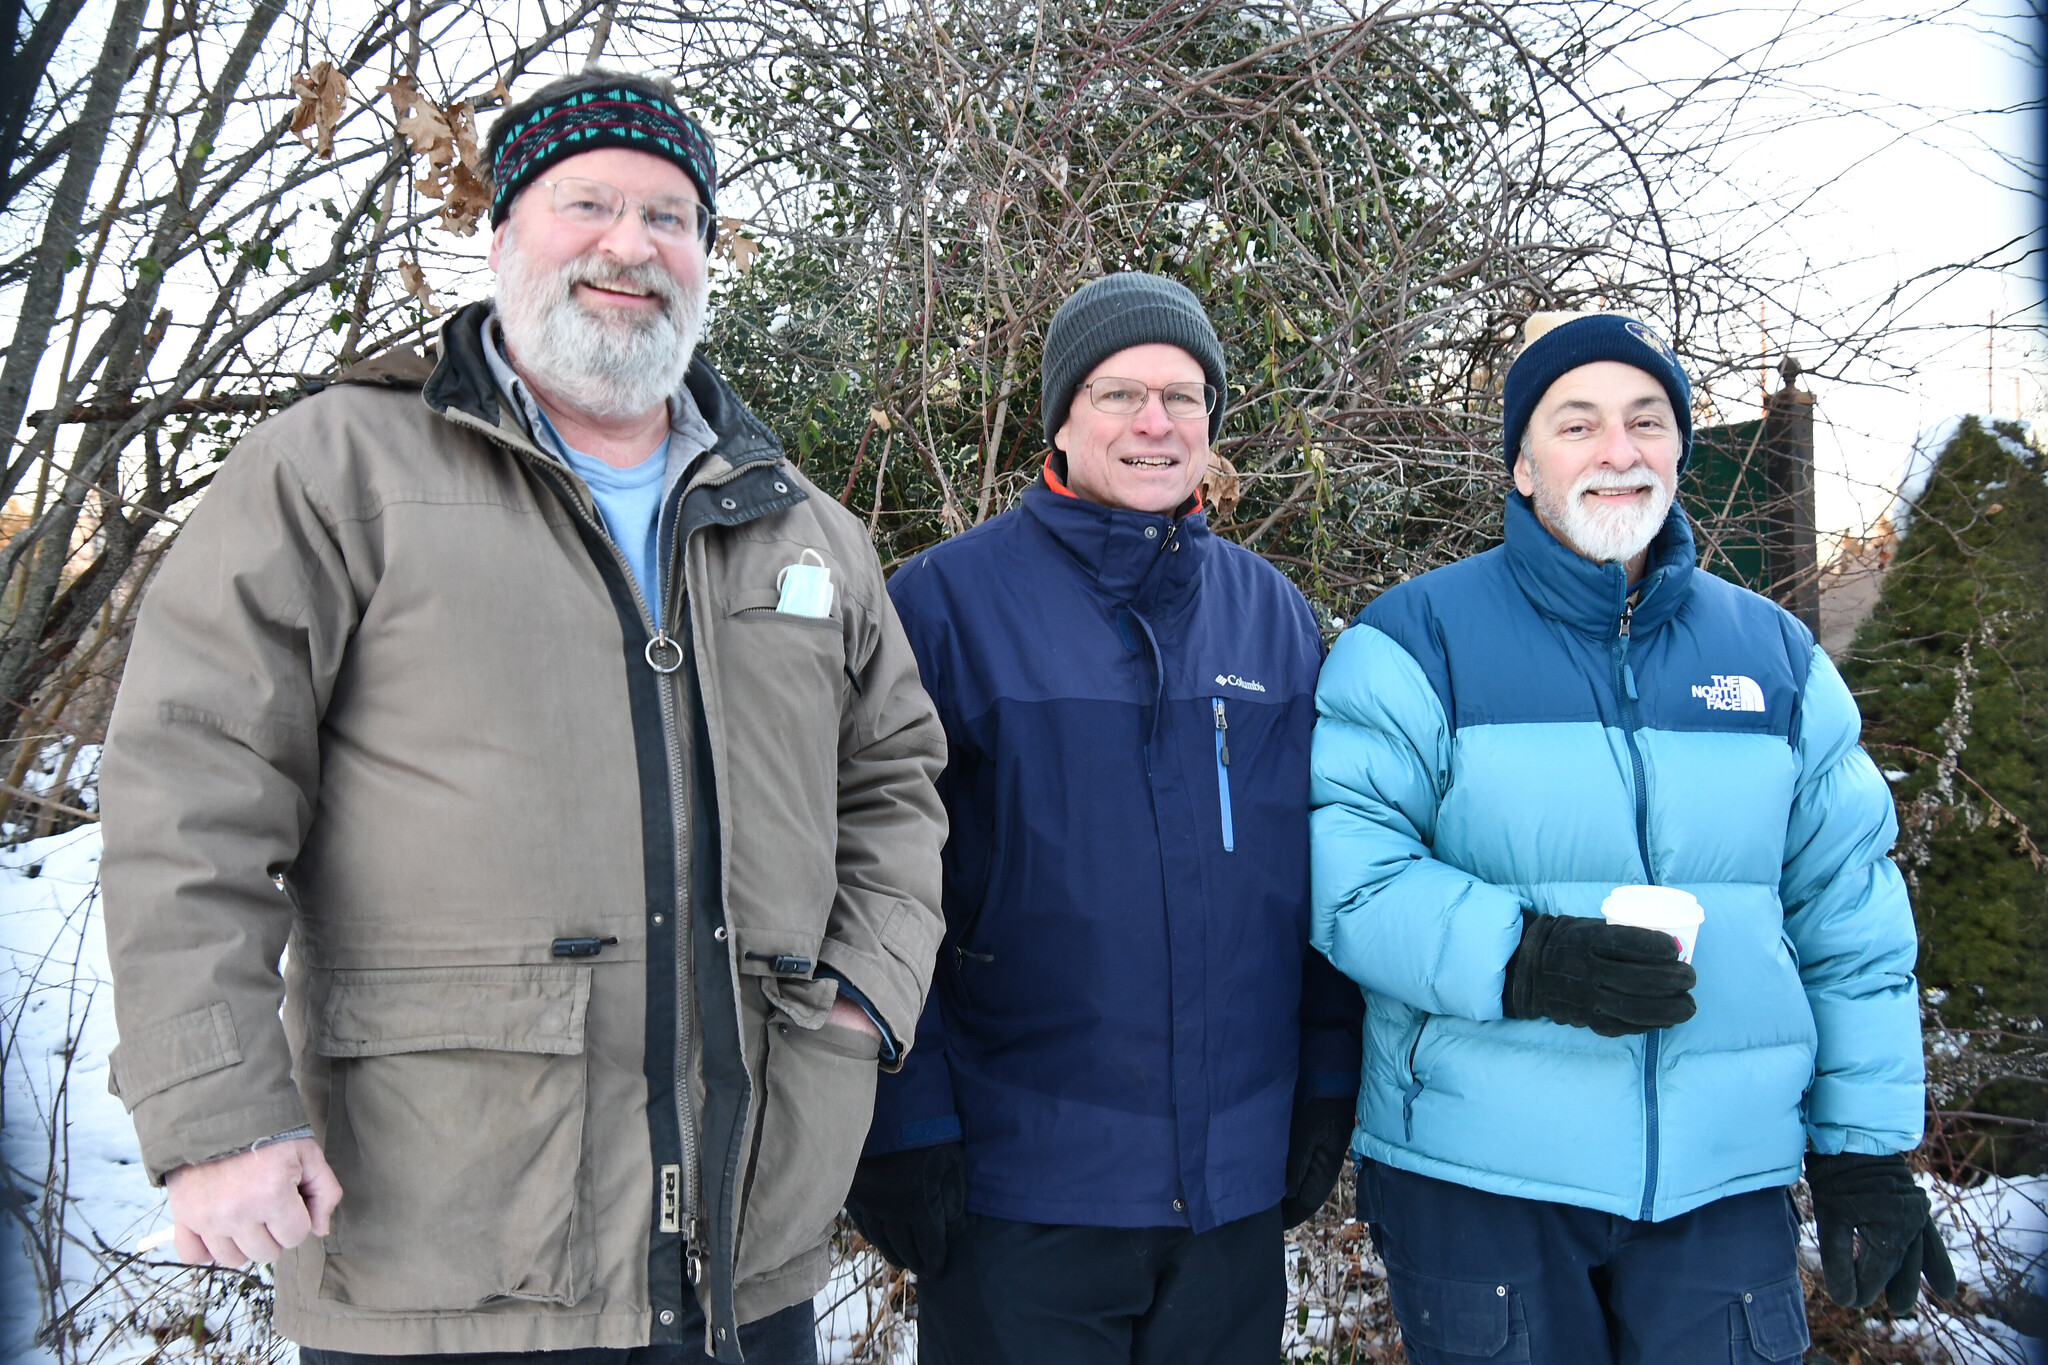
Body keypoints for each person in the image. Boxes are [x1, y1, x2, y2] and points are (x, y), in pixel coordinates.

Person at [97, 69, 947, 1365]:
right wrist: (213, 1106)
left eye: (671, 216)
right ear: (500, 236)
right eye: (586, 202)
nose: (630, 243)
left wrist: (861, 993)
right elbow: (191, 782)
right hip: (447, 1253)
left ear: (709, 259)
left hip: (743, 1252)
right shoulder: (335, 469)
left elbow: (893, 775)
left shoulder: (804, 526)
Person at [1309, 311, 1954, 1364]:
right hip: (1481, 1175)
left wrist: (1863, 1150)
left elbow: (1847, 913)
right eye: (1576, 424)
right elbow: (1348, 880)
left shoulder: (1775, 658)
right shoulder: (1413, 640)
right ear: (1521, 464)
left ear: (1677, 450)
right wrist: (1526, 958)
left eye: (1644, 421)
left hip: (1720, 1181)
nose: (1616, 451)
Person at [843, 273, 1363, 1365]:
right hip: (1019, 1185)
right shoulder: (944, 604)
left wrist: (1322, 1074)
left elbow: (1318, 865)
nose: (1154, 423)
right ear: (1062, 421)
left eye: (1182, 398)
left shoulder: (1269, 615)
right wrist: (900, 1118)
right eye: (1118, 393)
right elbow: (872, 872)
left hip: (1228, 1199)